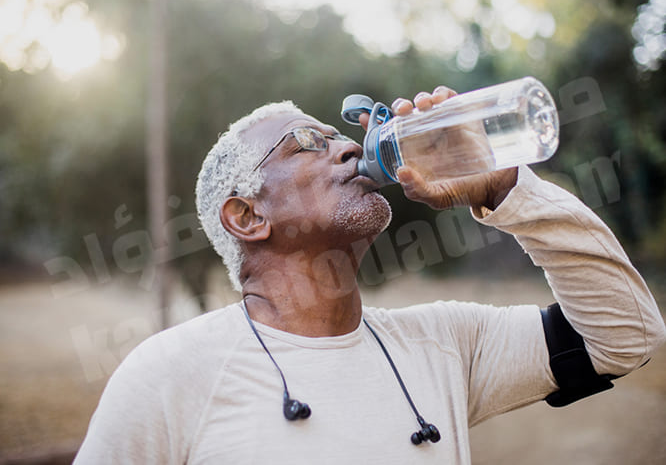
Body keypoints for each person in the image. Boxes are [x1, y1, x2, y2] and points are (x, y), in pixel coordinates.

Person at [75, 86, 666, 464]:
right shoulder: (168, 376)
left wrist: (505, 189)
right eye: (307, 142)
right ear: (247, 215)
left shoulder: (446, 344)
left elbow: (628, 335)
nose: (347, 150)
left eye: (340, 135)